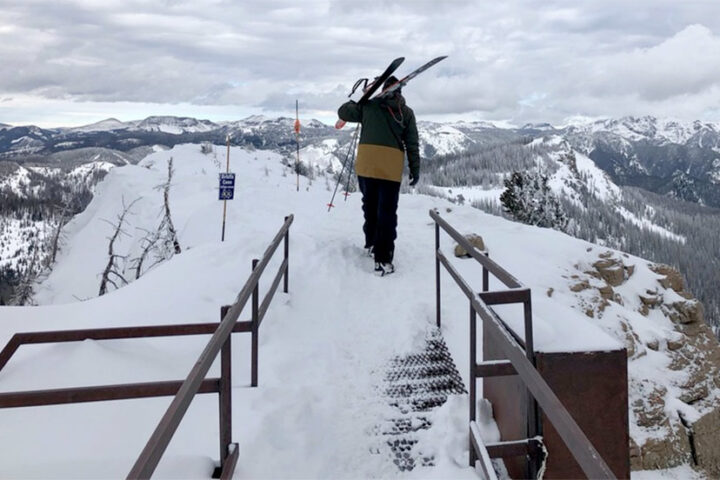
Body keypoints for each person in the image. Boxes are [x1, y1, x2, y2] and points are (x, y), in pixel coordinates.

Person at [338, 76, 420, 276]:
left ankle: (371, 243)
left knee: (370, 205)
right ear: (400, 92)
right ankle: (383, 258)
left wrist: (362, 96)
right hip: (390, 167)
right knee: (387, 212)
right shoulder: (406, 113)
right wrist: (415, 169)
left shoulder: (368, 106)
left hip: (367, 164)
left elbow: (343, 111)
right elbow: (412, 144)